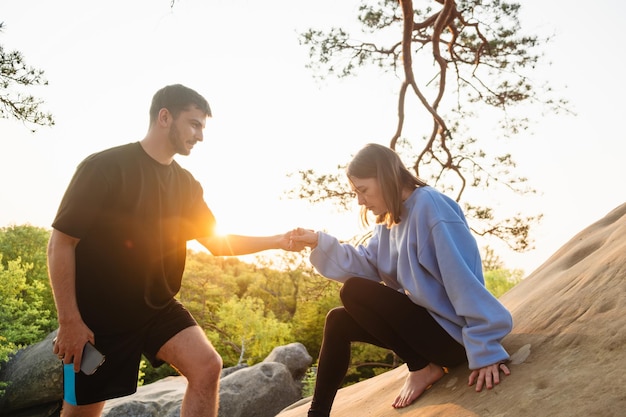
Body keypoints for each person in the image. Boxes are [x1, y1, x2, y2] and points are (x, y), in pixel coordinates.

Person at [47, 84, 296, 417]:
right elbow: (61, 243)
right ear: (165, 117)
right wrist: (70, 321)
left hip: (156, 308)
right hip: (99, 320)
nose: (200, 136)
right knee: (81, 414)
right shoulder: (104, 167)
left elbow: (218, 242)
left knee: (207, 366)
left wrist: (277, 240)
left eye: (202, 127)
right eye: (194, 124)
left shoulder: (186, 185)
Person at [290, 143, 513, 416]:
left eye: (363, 190)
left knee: (354, 291)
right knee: (338, 320)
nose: (360, 200)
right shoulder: (389, 222)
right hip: (428, 332)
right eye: (356, 192)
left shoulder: (431, 207)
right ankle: (317, 414)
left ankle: (421, 368)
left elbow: (462, 280)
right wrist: (317, 240)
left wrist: (486, 347)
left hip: (452, 338)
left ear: (385, 177)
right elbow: (366, 264)